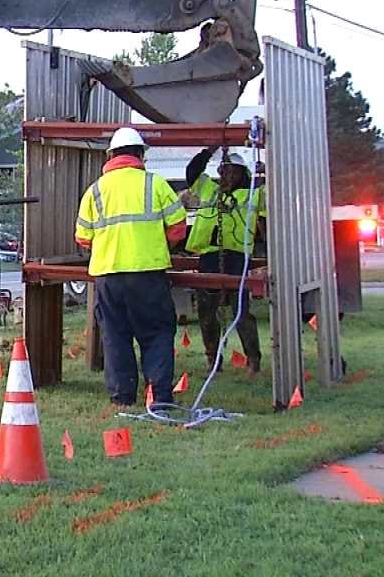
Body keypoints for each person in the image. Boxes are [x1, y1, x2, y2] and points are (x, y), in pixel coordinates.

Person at [75, 127, 187, 407]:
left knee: (115, 336)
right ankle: (160, 398)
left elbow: (83, 238)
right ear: (140, 155)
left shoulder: (95, 191)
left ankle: (122, 398)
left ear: (111, 155)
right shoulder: (155, 184)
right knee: (158, 332)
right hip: (148, 275)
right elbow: (177, 230)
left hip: (108, 277)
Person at [184, 147, 266, 375]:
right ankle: (213, 359)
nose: (229, 176)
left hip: (238, 258)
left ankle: (253, 359)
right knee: (207, 312)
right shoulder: (209, 188)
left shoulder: (253, 193)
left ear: (243, 174)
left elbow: (276, 194)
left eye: (234, 172)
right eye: (225, 170)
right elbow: (192, 172)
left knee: (241, 311)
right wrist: (208, 150)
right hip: (210, 256)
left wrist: (266, 173)